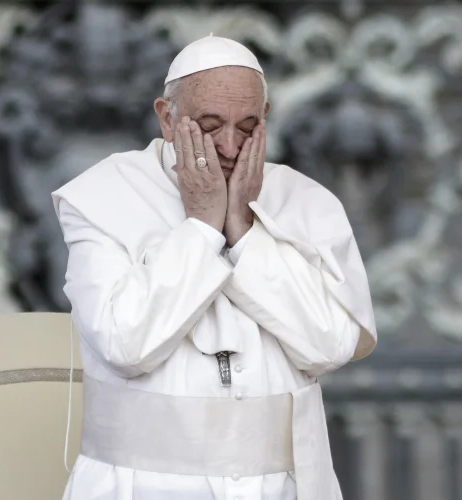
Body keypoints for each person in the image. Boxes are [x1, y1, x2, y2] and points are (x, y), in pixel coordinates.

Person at [51, 35, 377, 500]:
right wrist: (203, 226)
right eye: (209, 125)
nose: (229, 146)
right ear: (167, 117)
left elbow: (331, 345)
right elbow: (125, 344)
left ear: (265, 118)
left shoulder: (307, 201)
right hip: (139, 487)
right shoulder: (99, 198)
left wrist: (243, 229)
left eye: (247, 126)